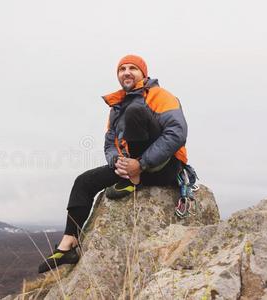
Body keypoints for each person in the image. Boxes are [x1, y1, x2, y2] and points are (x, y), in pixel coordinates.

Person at [38, 54, 188, 273]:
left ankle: (135, 179)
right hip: (130, 166)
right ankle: (69, 243)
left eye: (132, 68)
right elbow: (110, 143)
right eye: (122, 69)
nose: (126, 72)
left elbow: (177, 133)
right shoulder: (117, 106)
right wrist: (116, 160)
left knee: (137, 112)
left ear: (143, 73)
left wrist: (141, 164)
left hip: (164, 166)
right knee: (84, 181)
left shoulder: (160, 96)